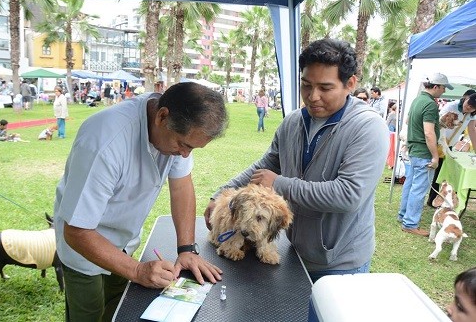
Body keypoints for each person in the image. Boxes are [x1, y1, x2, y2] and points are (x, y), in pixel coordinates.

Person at [204, 38, 389, 321]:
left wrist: (279, 184)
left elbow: (349, 194)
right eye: (306, 85)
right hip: (295, 249)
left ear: (350, 83)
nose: (313, 96)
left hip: (340, 262)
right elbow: (265, 165)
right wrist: (221, 193)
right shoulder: (293, 121)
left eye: (325, 87)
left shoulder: (368, 127)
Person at [54, 82, 227, 321]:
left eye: (192, 149)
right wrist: (136, 270)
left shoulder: (176, 131)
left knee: (117, 309)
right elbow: (77, 231)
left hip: (124, 241)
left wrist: (186, 249)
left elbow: (182, 187)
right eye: (184, 145)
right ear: (162, 117)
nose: (186, 154)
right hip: (84, 246)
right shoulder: (105, 141)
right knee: (89, 314)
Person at [397, 72, 452, 236]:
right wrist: (435, 156)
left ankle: (403, 216)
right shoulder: (429, 104)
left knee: (410, 184)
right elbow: (429, 133)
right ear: (435, 86)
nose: (444, 91)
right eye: (443, 88)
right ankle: (410, 223)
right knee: (418, 189)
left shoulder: (418, 100)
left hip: (415, 150)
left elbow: (408, 121)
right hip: (423, 152)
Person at [426, 90, 476, 207]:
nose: (468, 107)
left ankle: (435, 200)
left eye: (472, 107)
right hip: (438, 142)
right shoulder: (451, 106)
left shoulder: (471, 115)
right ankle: (432, 199)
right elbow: (437, 123)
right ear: (466, 98)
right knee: (432, 170)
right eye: (469, 103)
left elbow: (472, 130)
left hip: (449, 145)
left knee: (441, 173)